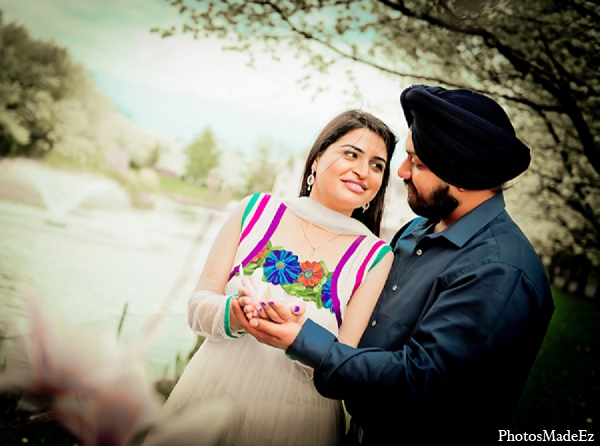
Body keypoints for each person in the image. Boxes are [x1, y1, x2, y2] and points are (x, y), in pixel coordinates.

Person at [233, 85, 555, 443]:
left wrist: (304, 339)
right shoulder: (417, 230)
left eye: (416, 162)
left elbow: (423, 382)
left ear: (464, 175)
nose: (400, 172)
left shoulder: (501, 270)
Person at [159, 110, 397, 446]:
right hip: (209, 397)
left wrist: (297, 339)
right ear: (316, 160)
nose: (363, 171)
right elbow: (197, 307)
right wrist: (235, 314)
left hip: (296, 421)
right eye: (351, 154)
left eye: (377, 165)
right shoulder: (256, 211)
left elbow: (345, 364)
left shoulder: (375, 257)